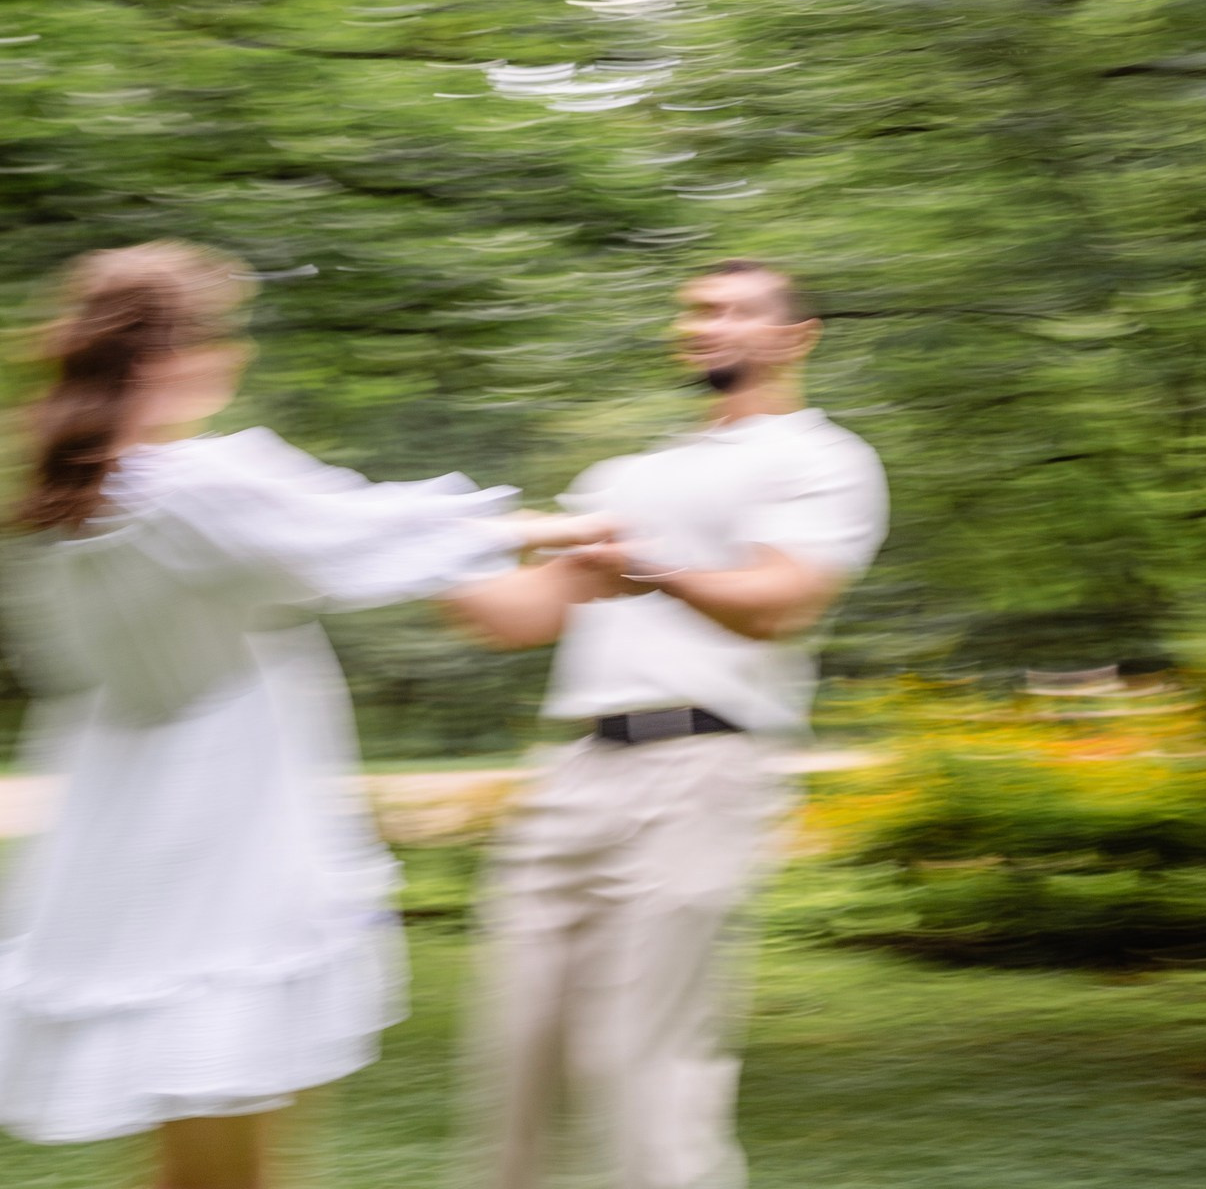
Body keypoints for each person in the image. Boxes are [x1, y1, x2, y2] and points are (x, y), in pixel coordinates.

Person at [0, 240, 591, 1189]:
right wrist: (565, 527)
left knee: (194, 1157)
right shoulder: (192, 486)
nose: (233, 357)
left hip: (124, 836)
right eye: (221, 336)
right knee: (234, 1150)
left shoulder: (58, 509)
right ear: (169, 358)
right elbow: (360, 535)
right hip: (228, 838)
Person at [449, 258, 889, 1189]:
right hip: (574, 770)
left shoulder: (821, 458)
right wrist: (408, 543)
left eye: (732, 310)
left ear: (795, 336)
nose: (703, 325)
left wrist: (651, 570)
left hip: (702, 767)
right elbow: (516, 618)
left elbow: (779, 602)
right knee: (514, 1049)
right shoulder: (625, 476)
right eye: (694, 311)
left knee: (641, 1059)